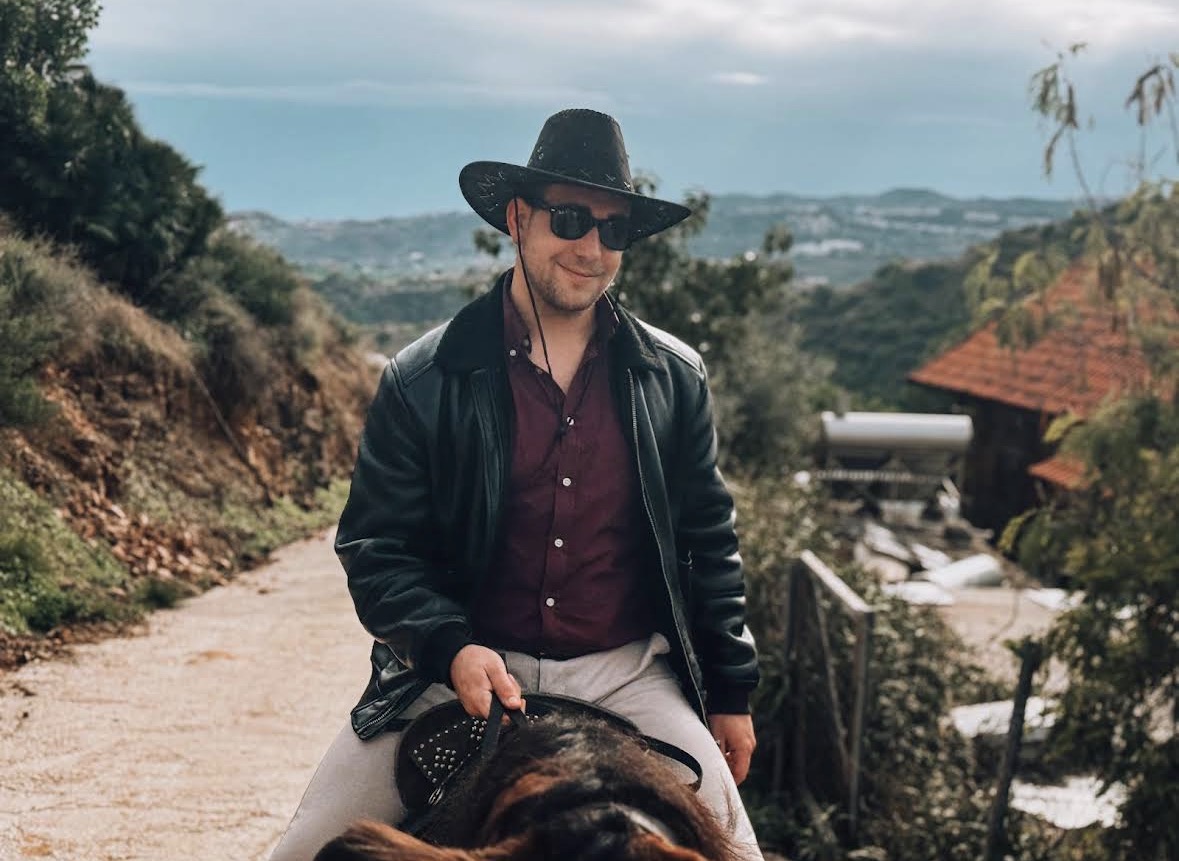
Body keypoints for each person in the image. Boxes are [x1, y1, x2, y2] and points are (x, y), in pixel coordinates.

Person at [269, 108, 763, 861]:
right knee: (301, 851)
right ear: (518, 218)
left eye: (613, 229)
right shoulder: (422, 378)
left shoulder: (674, 379)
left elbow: (709, 542)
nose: (591, 247)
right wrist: (450, 647)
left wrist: (730, 695)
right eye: (569, 219)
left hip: (624, 672)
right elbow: (378, 548)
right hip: (456, 674)